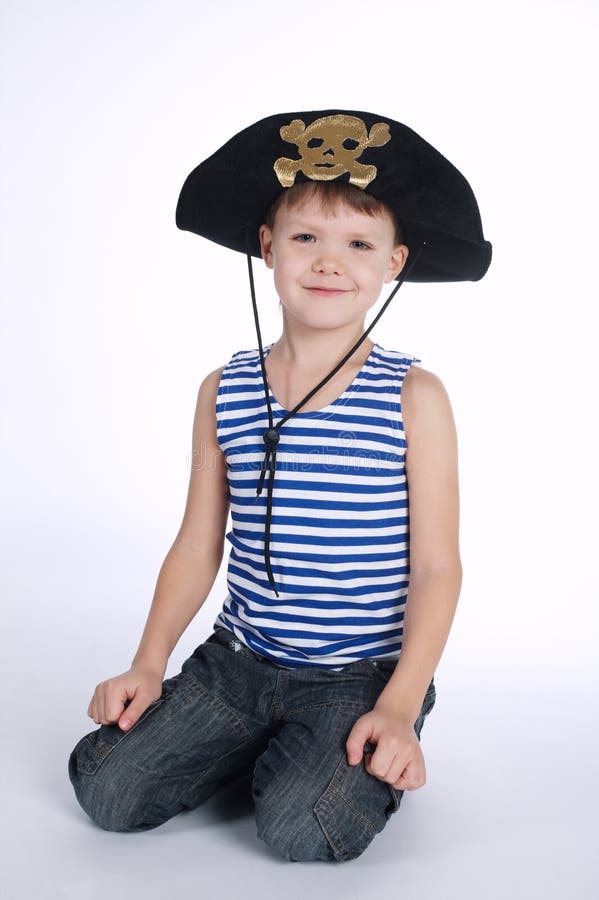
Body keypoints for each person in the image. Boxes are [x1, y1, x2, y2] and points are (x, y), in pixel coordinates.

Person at [68, 109, 491, 862]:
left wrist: (395, 704)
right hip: (240, 661)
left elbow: (435, 567)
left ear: (393, 263)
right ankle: (258, 743)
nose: (329, 262)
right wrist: (148, 662)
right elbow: (198, 544)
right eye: (305, 238)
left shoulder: (412, 396)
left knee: (303, 831)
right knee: (107, 789)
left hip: (356, 675)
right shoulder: (223, 388)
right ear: (267, 248)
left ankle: (343, 751)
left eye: (357, 244)